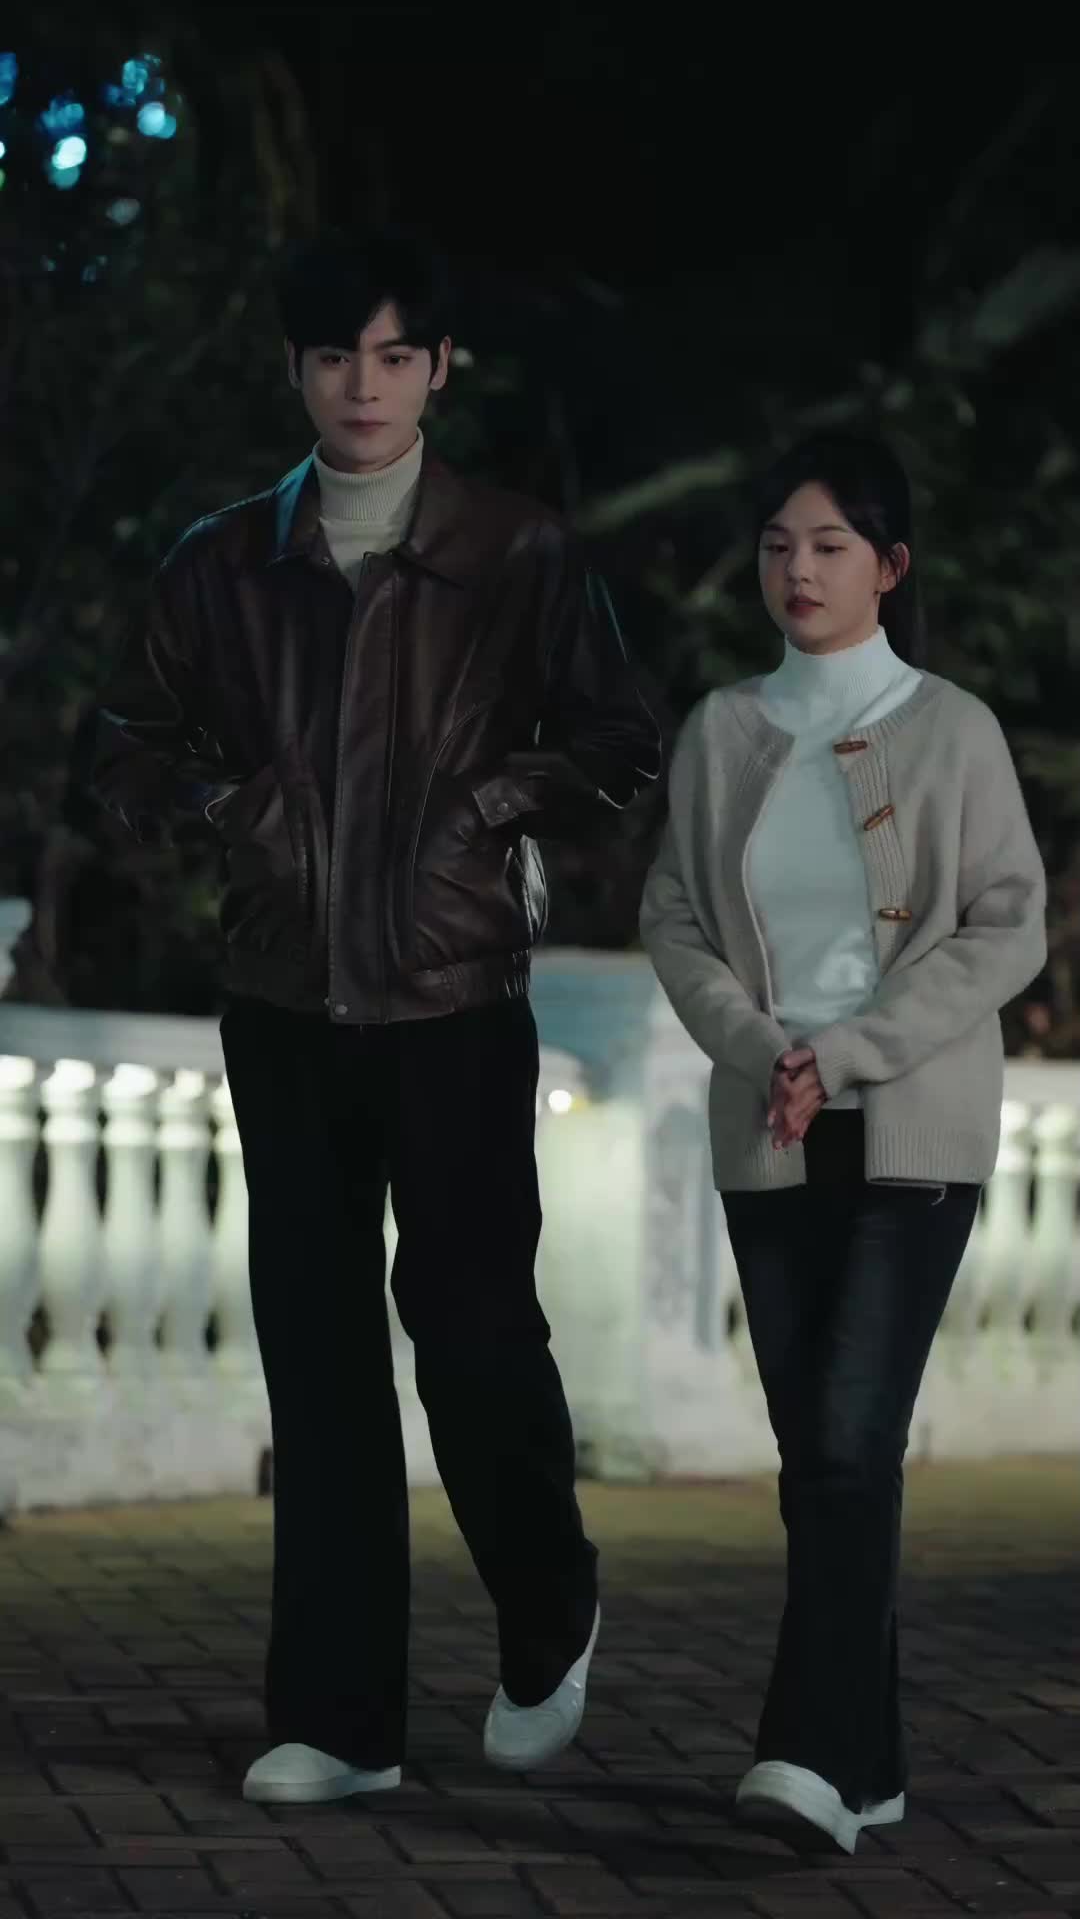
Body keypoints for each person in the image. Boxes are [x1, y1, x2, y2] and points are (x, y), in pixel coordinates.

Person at [91, 227, 661, 1803]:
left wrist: (488, 805)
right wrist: (235, 804)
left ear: (439, 370)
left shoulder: (516, 554)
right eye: (338, 355)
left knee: (472, 1333)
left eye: (396, 355)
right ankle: (340, 1722)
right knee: (320, 1353)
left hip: (453, 998)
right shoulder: (223, 563)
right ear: (296, 368)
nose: (365, 385)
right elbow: (126, 749)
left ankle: (548, 1594)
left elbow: (622, 742)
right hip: (283, 1001)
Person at [639, 432, 1046, 1853]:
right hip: (772, 1128)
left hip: (910, 1132)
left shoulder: (954, 730)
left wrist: (849, 1052)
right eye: (776, 546)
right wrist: (767, 1050)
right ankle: (868, 1760)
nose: (798, 571)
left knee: (849, 1438)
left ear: (891, 565)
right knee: (815, 1448)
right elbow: (675, 920)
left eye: (828, 546)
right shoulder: (720, 731)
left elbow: (1009, 924)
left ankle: (805, 1757)